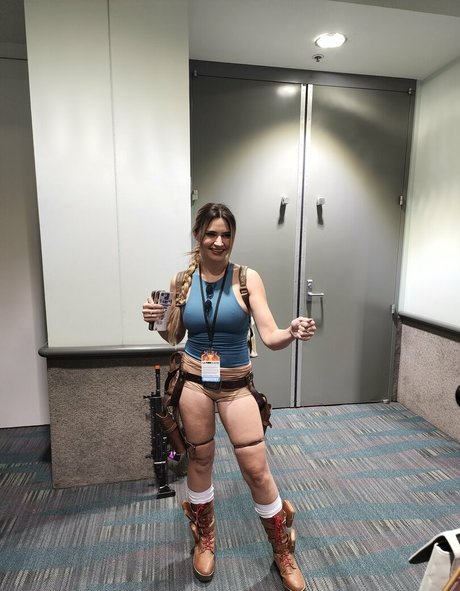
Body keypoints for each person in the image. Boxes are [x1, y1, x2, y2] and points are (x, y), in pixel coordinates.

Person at [142, 202, 316, 591]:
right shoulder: (181, 281)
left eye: (226, 234)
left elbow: (269, 336)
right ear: (198, 236)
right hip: (194, 384)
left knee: (255, 468)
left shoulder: (247, 278)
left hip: (236, 387)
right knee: (200, 458)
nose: (219, 242)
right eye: (211, 234)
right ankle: (204, 537)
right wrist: (154, 320)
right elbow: (173, 337)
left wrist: (291, 331)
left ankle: (282, 547)